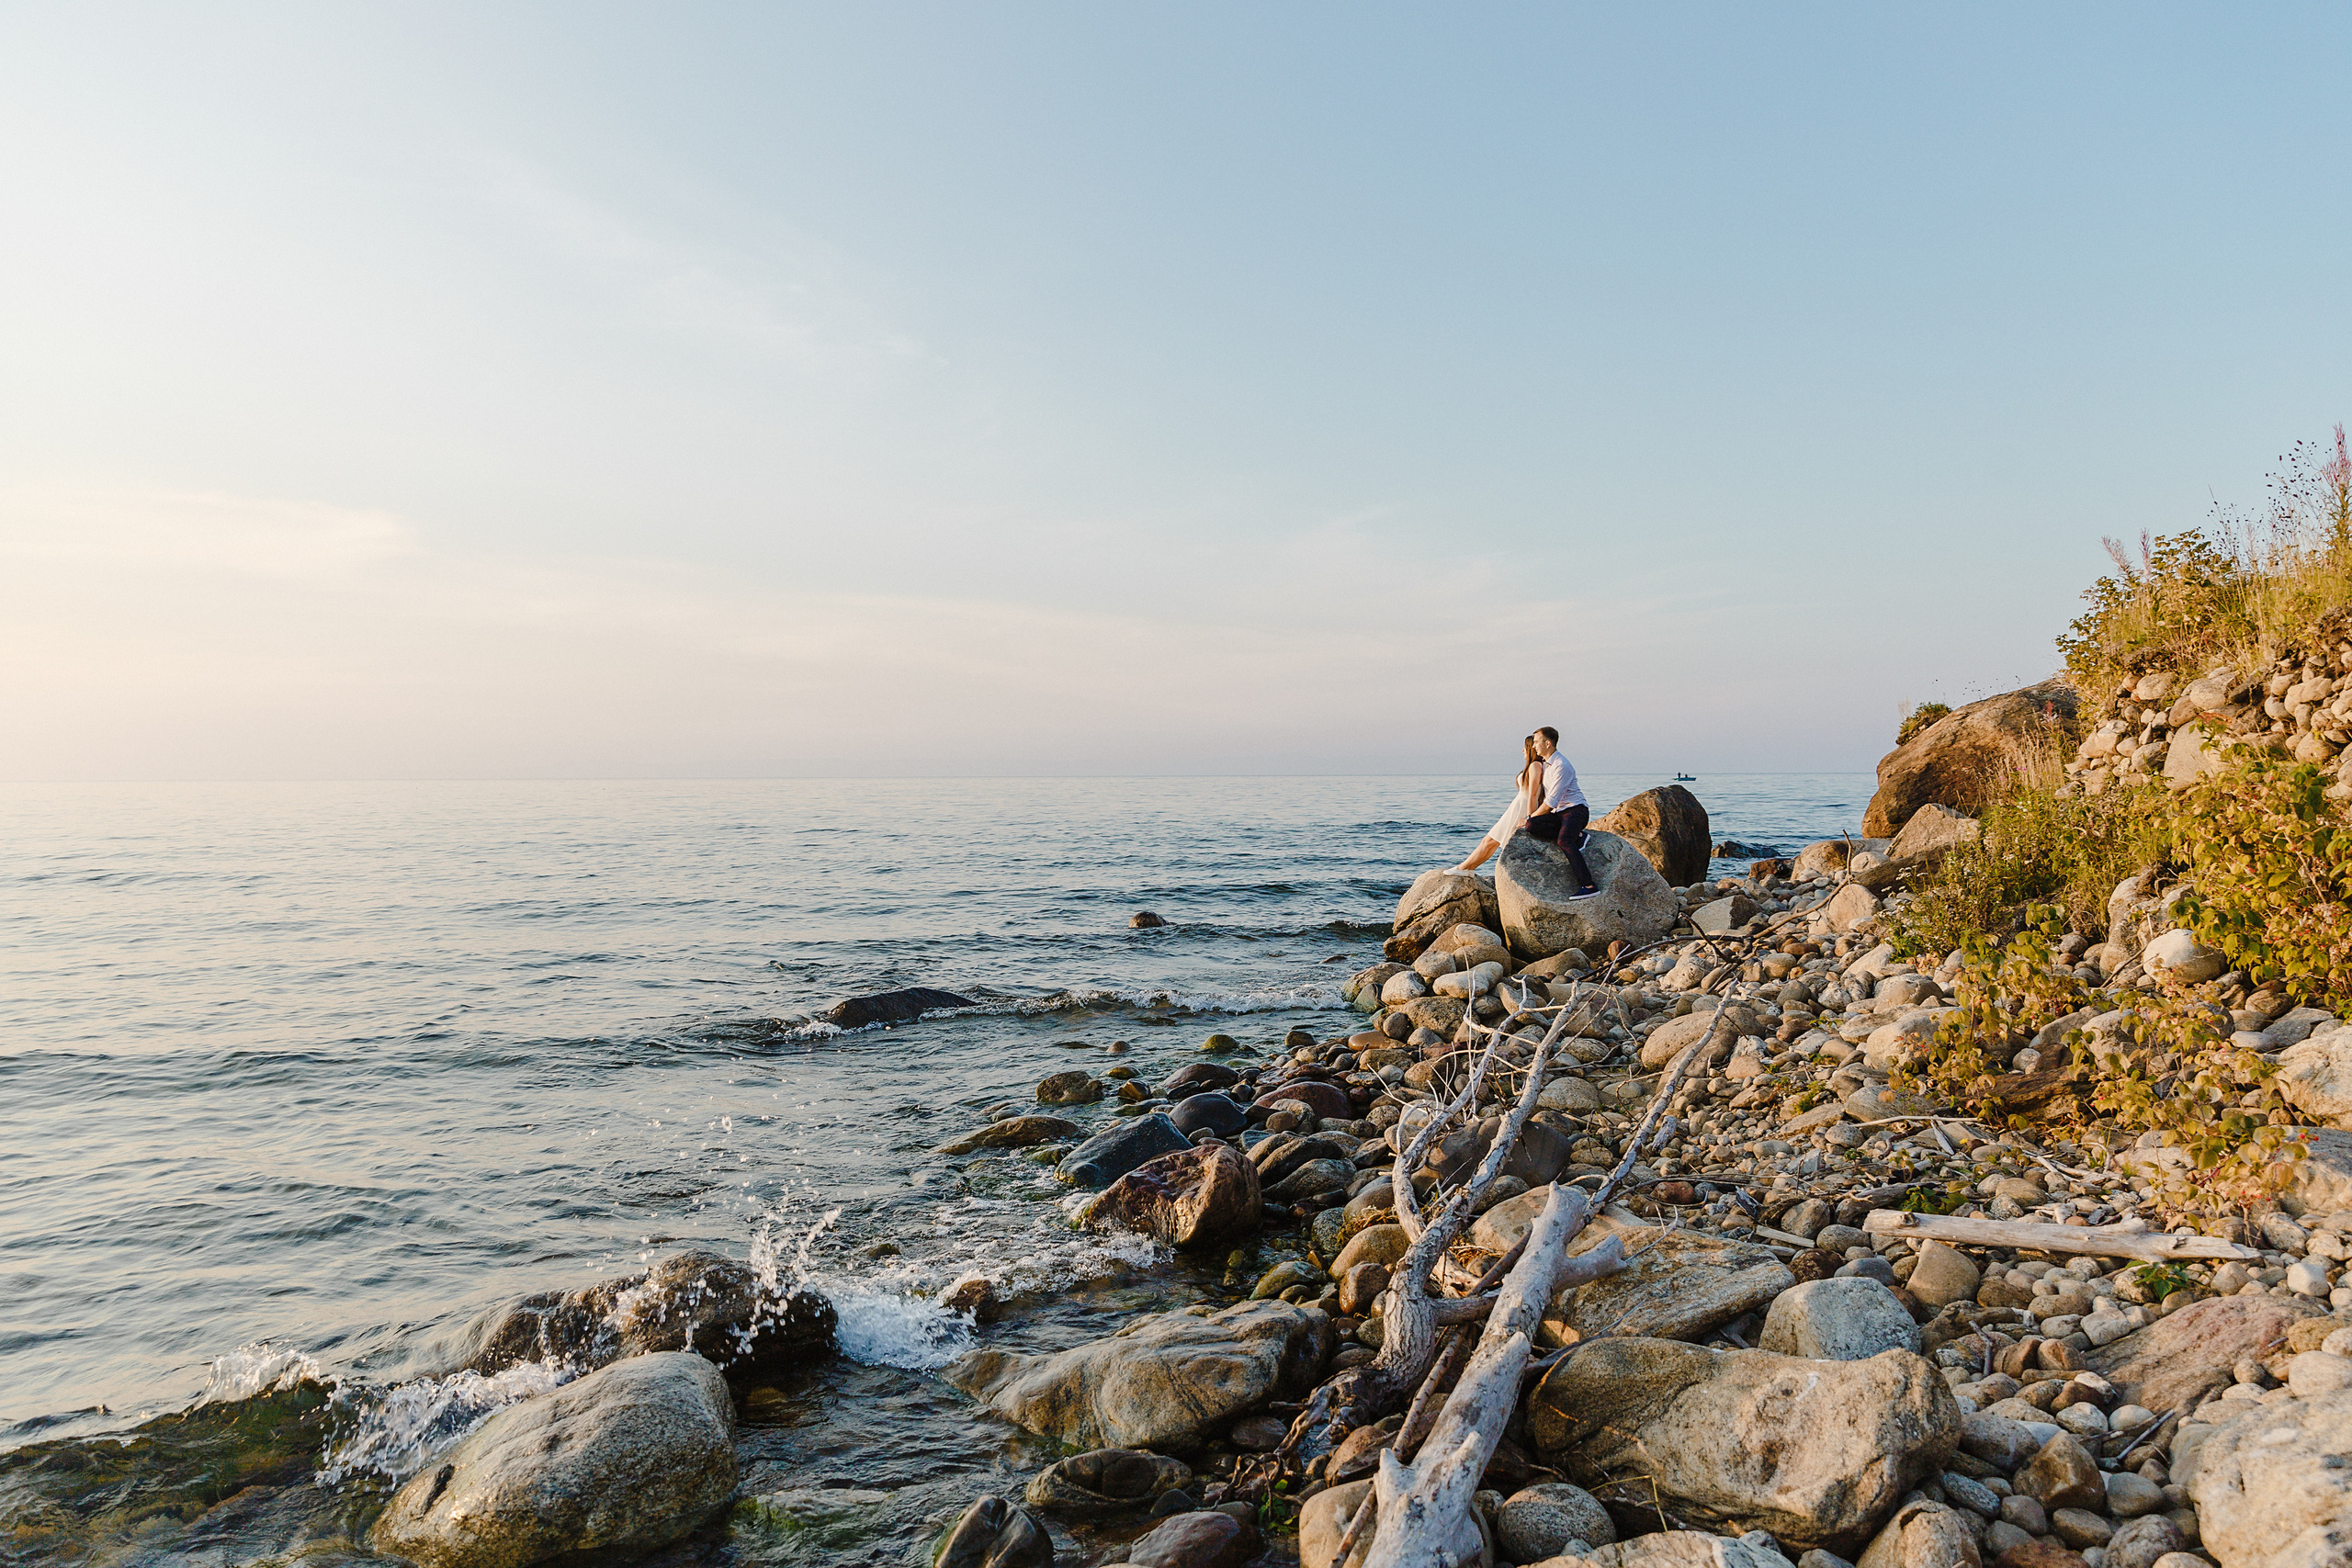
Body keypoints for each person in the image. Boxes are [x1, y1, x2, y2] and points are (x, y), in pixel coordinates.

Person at [1524, 727, 1600, 899]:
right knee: (1531, 826)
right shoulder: (1546, 765)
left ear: (1548, 743)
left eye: (1536, 742)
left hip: (1576, 810)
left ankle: (1589, 885)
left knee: (1564, 840)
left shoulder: (1561, 765)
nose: (1534, 746)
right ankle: (1580, 837)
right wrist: (1531, 819)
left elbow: (1551, 802)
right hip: (1560, 814)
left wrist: (1531, 815)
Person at [1453, 736, 1542, 872]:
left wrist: (1530, 818)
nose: (1522, 750)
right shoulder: (1534, 766)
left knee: (1490, 841)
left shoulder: (1535, 765)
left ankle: (1463, 868)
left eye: (1525, 747)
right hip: (1517, 807)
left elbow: (1534, 794)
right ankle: (1468, 869)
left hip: (1521, 809)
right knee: (1491, 841)